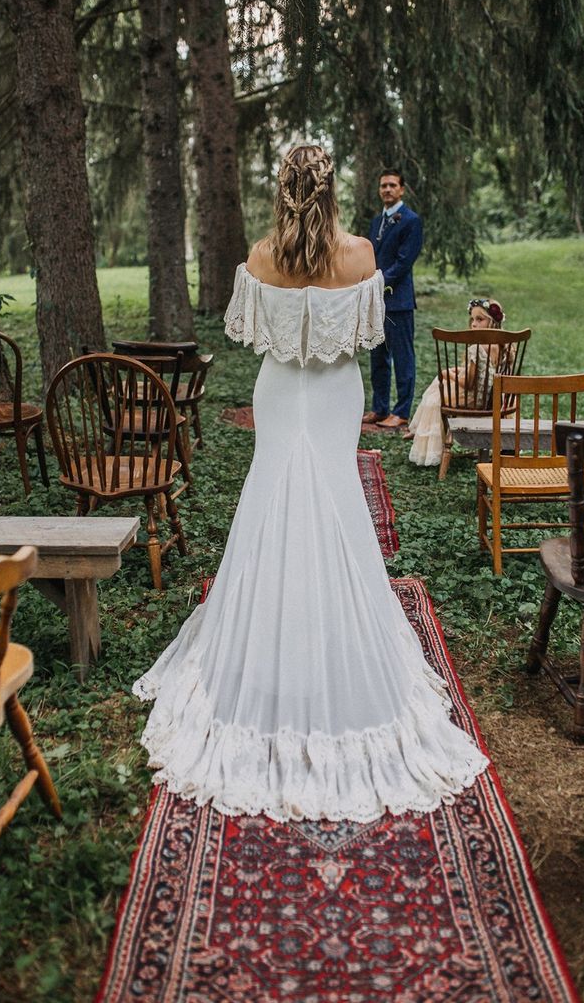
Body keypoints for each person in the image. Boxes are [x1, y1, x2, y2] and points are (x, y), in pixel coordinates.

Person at [133, 144, 487, 823]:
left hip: (280, 395)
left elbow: (256, 338)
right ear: (332, 189)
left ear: (282, 190)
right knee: (330, 498)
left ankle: (270, 633)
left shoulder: (261, 257)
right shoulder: (359, 255)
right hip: (332, 398)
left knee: (272, 501)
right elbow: (366, 340)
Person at [405, 298, 507, 467]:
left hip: (475, 400)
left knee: (437, 393)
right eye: (472, 319)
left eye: (480, 320)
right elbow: (484, 374)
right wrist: (455, 372)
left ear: (493, 322)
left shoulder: (478, 347)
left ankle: (420, 433)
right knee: (439, 384)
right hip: (492, 398)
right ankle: (416, 429)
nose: (474, 324)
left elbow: (468, 384)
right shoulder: (503, 345)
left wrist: (448, 374)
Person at [362, 169, 423, 432]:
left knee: (403, 358)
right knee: (378, 357)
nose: (387, 189)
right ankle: (380, 408)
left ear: (401, 190)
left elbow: (404, 262)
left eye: (392, 185)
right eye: (383, 185)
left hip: (398, 301)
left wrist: (376, 283)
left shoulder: (411, 220)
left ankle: (401, 413)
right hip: (375, 302)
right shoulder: (377, 221)